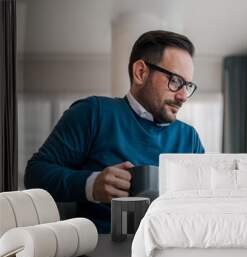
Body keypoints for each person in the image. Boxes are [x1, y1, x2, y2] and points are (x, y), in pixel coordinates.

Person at [24, 30, 205, 233]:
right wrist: (90, 185)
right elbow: (35, 174)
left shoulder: (190, 139)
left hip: (168, 253)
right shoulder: (94, 113)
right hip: (98, 251)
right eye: (175, 81)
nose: (183, 96)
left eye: (187, 86)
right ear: (140, 73)